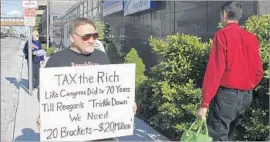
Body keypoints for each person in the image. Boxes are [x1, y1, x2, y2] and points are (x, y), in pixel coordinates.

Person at [37, 17, 137, 141]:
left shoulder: (102, 57)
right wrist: (45, 115)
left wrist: (125, 103)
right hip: (70, 133)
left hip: (100, 132)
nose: (91, 40)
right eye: (86, 37)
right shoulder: (57, 59)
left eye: (95, 36)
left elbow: (111, 89)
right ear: (72, 38)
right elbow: (45, 94)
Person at [196, 1, 264, 141]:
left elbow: (215, 71)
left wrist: (204, 104)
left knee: (218, 136)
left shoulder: (222, 35)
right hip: (246, 97)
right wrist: (247, 87)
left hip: (226, 97)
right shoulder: (251, 37)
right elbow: (258, 71)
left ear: (225, 14)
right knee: (228, 135)